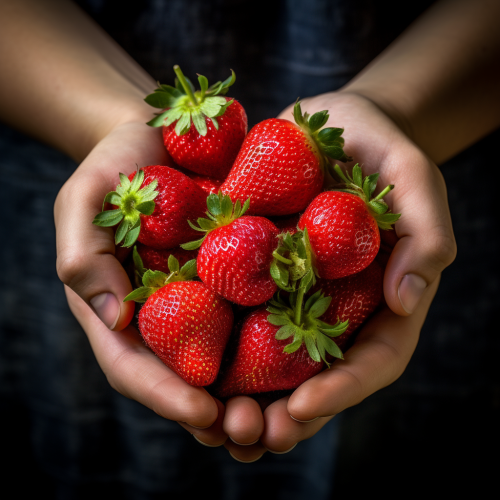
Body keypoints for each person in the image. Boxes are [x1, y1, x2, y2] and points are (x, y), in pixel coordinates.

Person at [0, 0, 498, 497]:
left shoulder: (292, 233)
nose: (230, 207)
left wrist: (398, 111)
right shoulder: (241, 219)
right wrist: (109, 123)